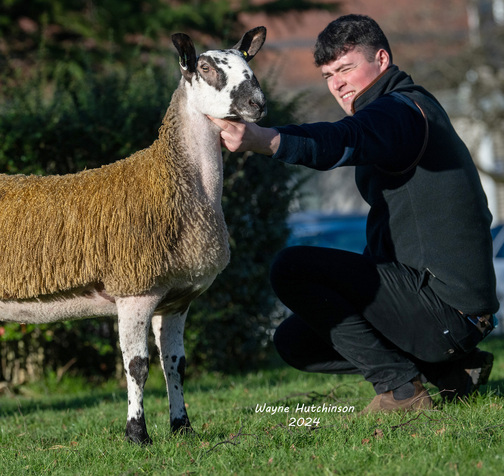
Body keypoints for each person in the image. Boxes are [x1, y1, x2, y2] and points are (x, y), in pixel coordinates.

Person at [210, 14, 498, 412]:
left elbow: (343, 139)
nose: (337, 84)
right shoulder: (407, 111)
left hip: (447, 309)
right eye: (329, 75)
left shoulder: (402, 111)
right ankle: (450, 372)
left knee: (292, 267)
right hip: (448, 311)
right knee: (297, 341)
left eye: (346, 68)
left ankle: (401, 391)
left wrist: (263, 138)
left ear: (381, 60)